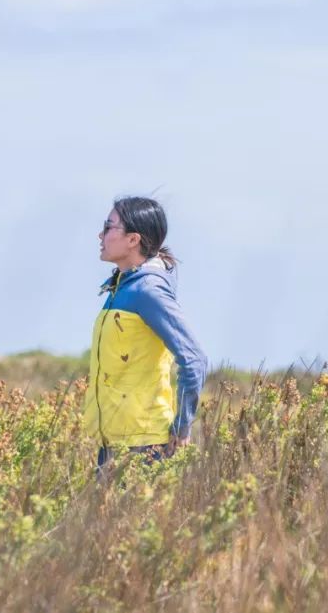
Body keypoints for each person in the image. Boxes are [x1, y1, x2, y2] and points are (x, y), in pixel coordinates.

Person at [84, 195, 208, 473]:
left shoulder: (148, 291)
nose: (100, 234)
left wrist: (182, 426)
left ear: (133, 240)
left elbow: (195, 359)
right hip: (114, 441)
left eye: (108, 227)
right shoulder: (120, 287)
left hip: (144, 445)